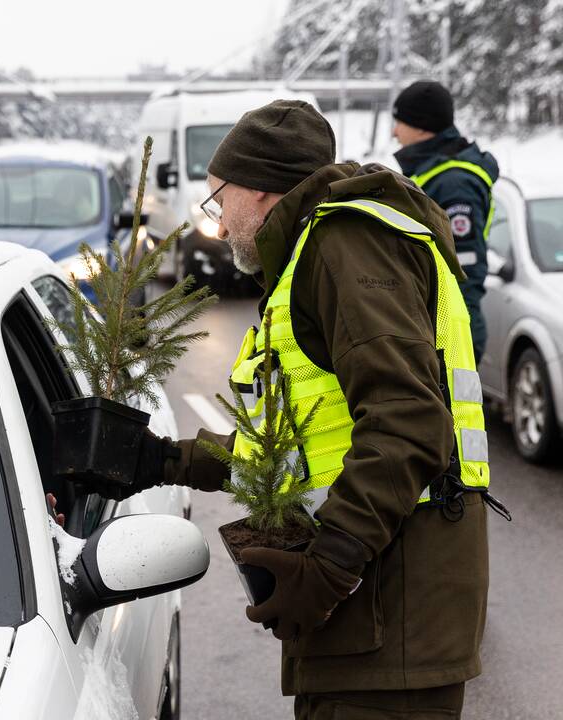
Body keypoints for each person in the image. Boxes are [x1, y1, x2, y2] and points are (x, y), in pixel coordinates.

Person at [118, 100, 499, 718]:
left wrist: (329, 568)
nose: (219, 219)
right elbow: (293, 450)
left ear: (263, 191)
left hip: (389, 610)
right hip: (366, 615)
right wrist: (165, 458)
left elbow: (407, 418)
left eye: (220, 199)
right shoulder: (306, 257)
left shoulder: (344, 245)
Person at [392, 80, 499, 364]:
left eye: (399, 122)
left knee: (458, 409)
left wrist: (447, 342)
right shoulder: (433, 173)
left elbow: (463, 269)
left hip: (449, 332)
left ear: (422, 126)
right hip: (434, 324)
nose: (394, 132)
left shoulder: (454, 184)